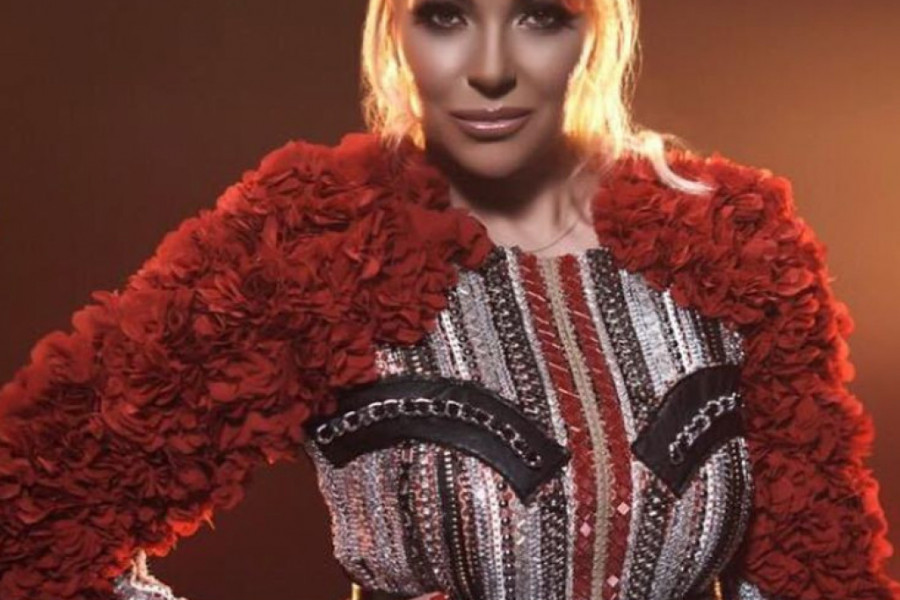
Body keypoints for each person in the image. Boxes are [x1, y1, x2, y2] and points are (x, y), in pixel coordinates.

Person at [1, 0, 897, 599]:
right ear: (393, 29)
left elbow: (817, 572)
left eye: (540, 14)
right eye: (445, 14)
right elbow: (34, 514)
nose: (491, 68)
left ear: (597, 29)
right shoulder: (319, 239)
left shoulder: (735, 240)